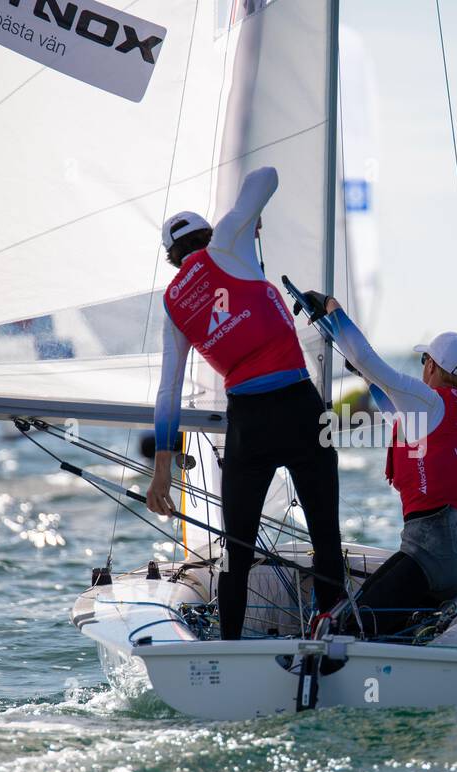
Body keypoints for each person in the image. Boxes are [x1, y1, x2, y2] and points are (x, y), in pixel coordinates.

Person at [144, 167, 344, 641]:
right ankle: (330, 630)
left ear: (173, 261)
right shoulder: (226, 242)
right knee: (324, 535)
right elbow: (268, 175)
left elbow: (168, 391)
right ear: (208, 235)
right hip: (299, 405)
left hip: (248, 424)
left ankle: (229, 644)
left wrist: (161, 471)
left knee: (236, 549)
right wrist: (243, 217)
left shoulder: (173, 303)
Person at [302, 293, 457, 638]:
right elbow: (397, 415)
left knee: (348, 627)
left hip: (430, 557)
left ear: (431, 366)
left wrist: (332, 309)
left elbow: (365, 357)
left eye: (424, 363)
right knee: (365, 608)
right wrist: (368, 379)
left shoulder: (428, 400)